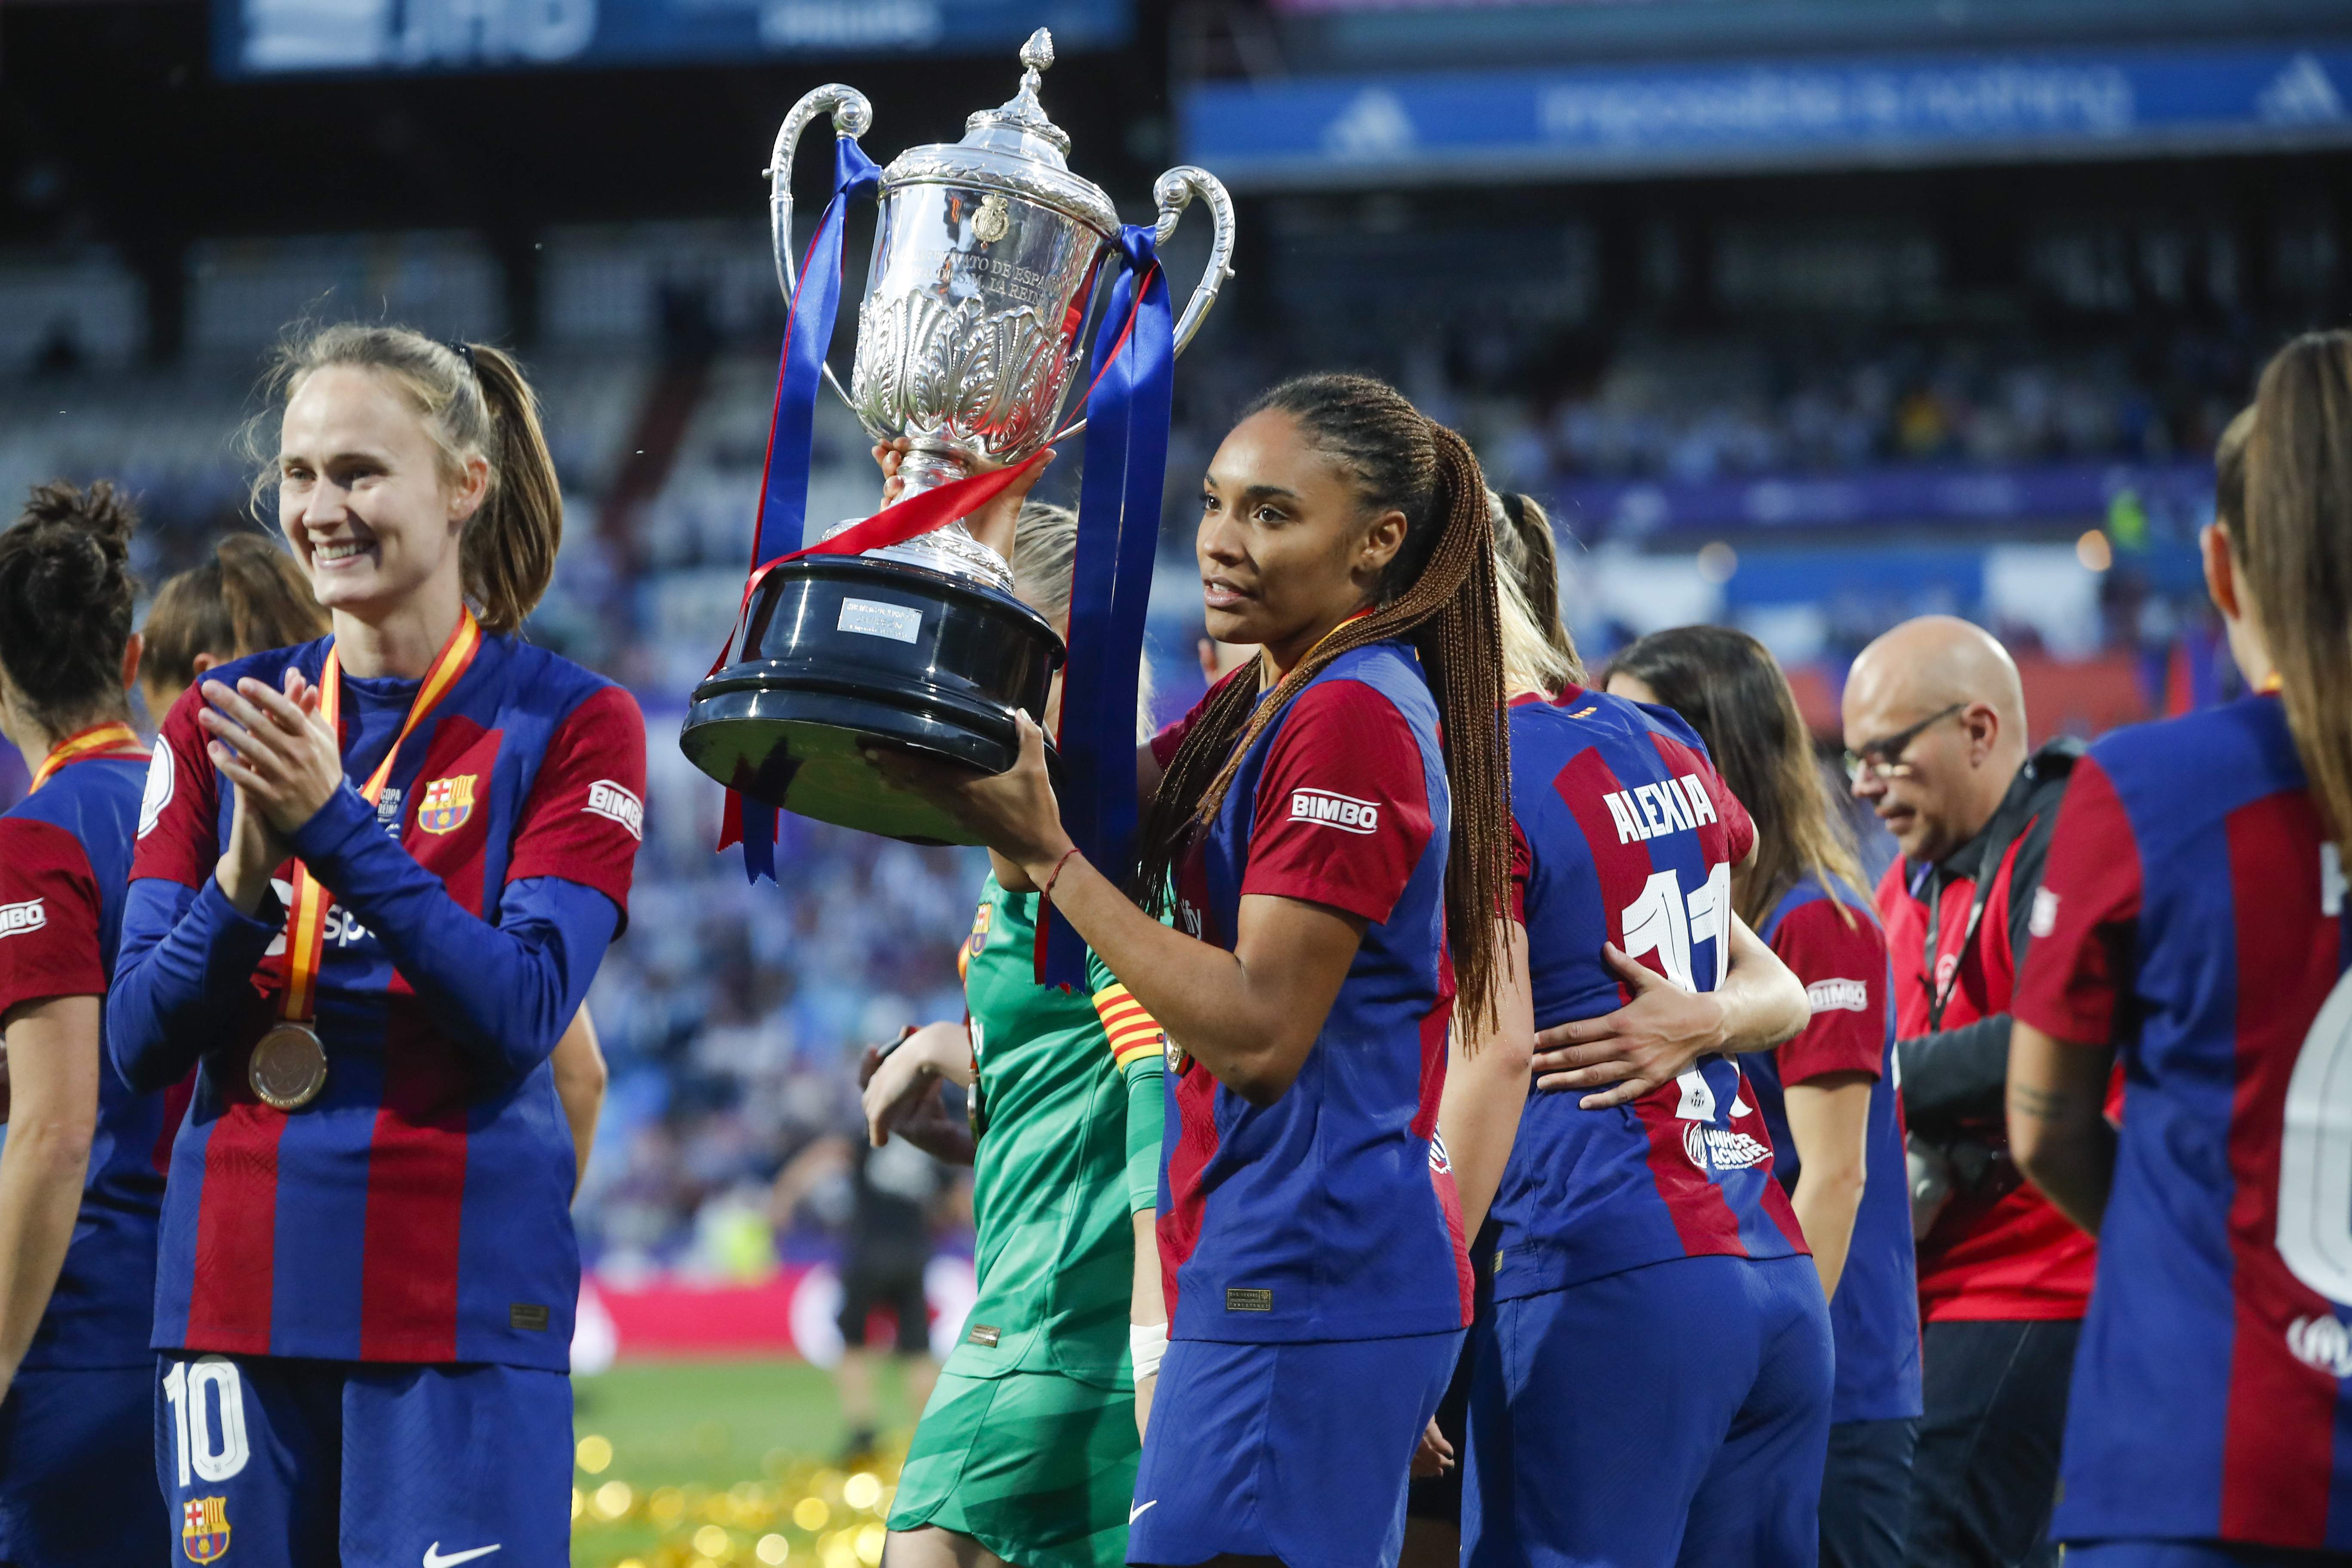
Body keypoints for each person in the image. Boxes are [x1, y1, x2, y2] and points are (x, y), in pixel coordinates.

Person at [893, 372, 1512, 1568]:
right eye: (1217, 504)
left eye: (1274, 514)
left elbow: (1260, 1034)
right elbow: (1089, 806)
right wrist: (949, 554)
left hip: (1310, 1256)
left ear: (1379, 542)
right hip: (1277, 1252)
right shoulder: (1264, 700)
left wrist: (1057, 863)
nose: (1223, 542)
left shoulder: (1349, 716)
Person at [106, 325, 646, 1563]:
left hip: (453, 1308)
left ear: (464, 485)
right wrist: (246, 868)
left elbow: (520, 1011)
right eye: (299, 476)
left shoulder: (573, 724)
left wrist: (333, 826)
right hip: (231, 1302)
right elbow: (136, 1041)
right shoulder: (214, 724)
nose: (322, 510)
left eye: (359, 472)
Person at [2008, 339, 2352, 1564]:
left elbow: (2042, 1128)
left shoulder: (2145, 793)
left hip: (2199, 1459)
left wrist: (2185, 1234)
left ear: (2221, 563)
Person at [1437, 579, 1826, 1567]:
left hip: (1601, 1269)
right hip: (1765, 1263)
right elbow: (1775, 987)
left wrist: (1417, 1322)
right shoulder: (1660, 740)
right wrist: (1710, 1020)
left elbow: (1494, 1055)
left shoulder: (1476, 770)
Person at [850, 499, 1173, 1568]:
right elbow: (1075, 1092)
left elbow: (1157, 1109)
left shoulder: (1121, 875)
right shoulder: (1012, 888)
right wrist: (959, 1072)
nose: (962, 698)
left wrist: (1158, 1358)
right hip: (1049, 1338)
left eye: (1005, 664)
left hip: (1050, 1353)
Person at [138, 530, 610, 1191]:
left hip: (209, 1229)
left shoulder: (189, 804)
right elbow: (582, 1074)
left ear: (207, 677)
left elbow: (560, 1049)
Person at [1607, 625, 1922, 1568]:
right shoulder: (1719, 929)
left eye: (1642, 725)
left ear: (1719, 749)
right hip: (1761, 1364)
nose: (1619, 750)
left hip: (1831, 1383)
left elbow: (1835, 1178)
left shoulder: (1816, 920)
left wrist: (1775, 1377)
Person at [1841, 613, 2083, 1568]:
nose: (1863, 785)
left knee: (1931, 1541)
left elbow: (2054, 1040)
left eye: (1886, 756)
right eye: (1856, 760)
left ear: (1979, 731)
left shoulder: (2068, 832)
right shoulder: (1910, 883)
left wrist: (1881, 1080)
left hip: (2042, 1272)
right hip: (1936, 1282)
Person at [0, 482, 172, 1566]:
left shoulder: (34, 840)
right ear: (131, 657)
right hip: (224, 1311)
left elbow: (57, 1134)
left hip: (88, 1328)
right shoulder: (218, 814)